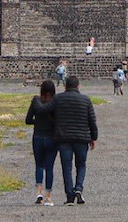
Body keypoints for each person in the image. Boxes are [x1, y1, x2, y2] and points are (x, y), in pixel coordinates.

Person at [33, 75, 98, 205]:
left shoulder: (58, 99)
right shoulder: (86, 100)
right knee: (81, 165)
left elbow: (42, 109)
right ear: (78, 86)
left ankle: (69, 196)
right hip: (81, 138)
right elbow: (92, 120)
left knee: (66, 167)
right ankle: (78, 189)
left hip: (64, 139)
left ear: (65, 86)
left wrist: (36, 100)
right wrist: (93, 137)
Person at [24, 80, 58, 205]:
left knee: (39, 165)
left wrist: (37, 122)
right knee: (50, 167)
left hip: (38, 136)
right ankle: (48, 196)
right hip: (51, 138)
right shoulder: (55, 103)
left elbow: (28, 120)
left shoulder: (36, 101)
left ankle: (39, 193)